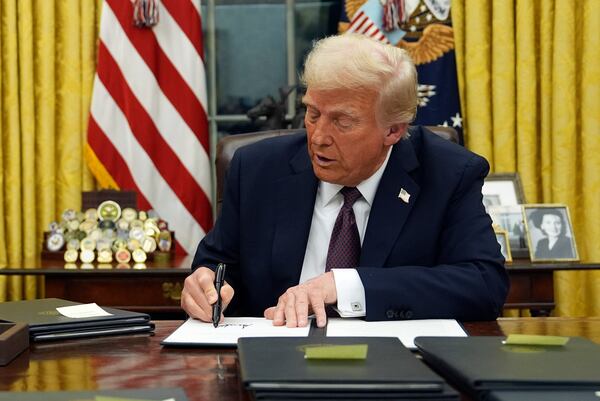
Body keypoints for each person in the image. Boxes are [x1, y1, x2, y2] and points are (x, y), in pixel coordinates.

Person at [181, 34, 509, 328]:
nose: (319, 137)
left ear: (393, 130)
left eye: (342, 121)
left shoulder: (448, 173)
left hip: (394, 370)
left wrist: (345, 286)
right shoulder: (257, 169)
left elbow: (483, 284)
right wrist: (205, 283)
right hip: (272, 360)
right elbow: (217, 263)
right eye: (312, 114)